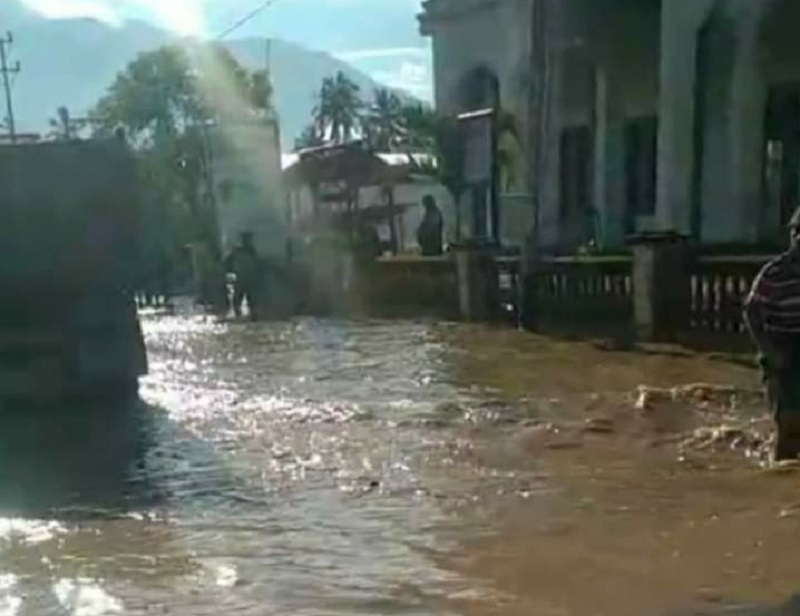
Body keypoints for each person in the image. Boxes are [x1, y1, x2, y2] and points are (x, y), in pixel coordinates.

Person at [744, 207, 800, 460]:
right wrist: (769, 350)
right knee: (788, 425)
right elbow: (752, 312)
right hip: (781, 347)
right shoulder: (774, 273)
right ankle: (780, 472)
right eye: (797, 234)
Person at [224, 232, 261, 319]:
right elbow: (228, 262)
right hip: (243, 278)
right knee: (239, 298)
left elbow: (228, 262)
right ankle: (243, 314)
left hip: (246, 278)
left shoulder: (248, 251)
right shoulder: (243, 251)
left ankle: (250, 314)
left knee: (249, 299)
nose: (247, 241)